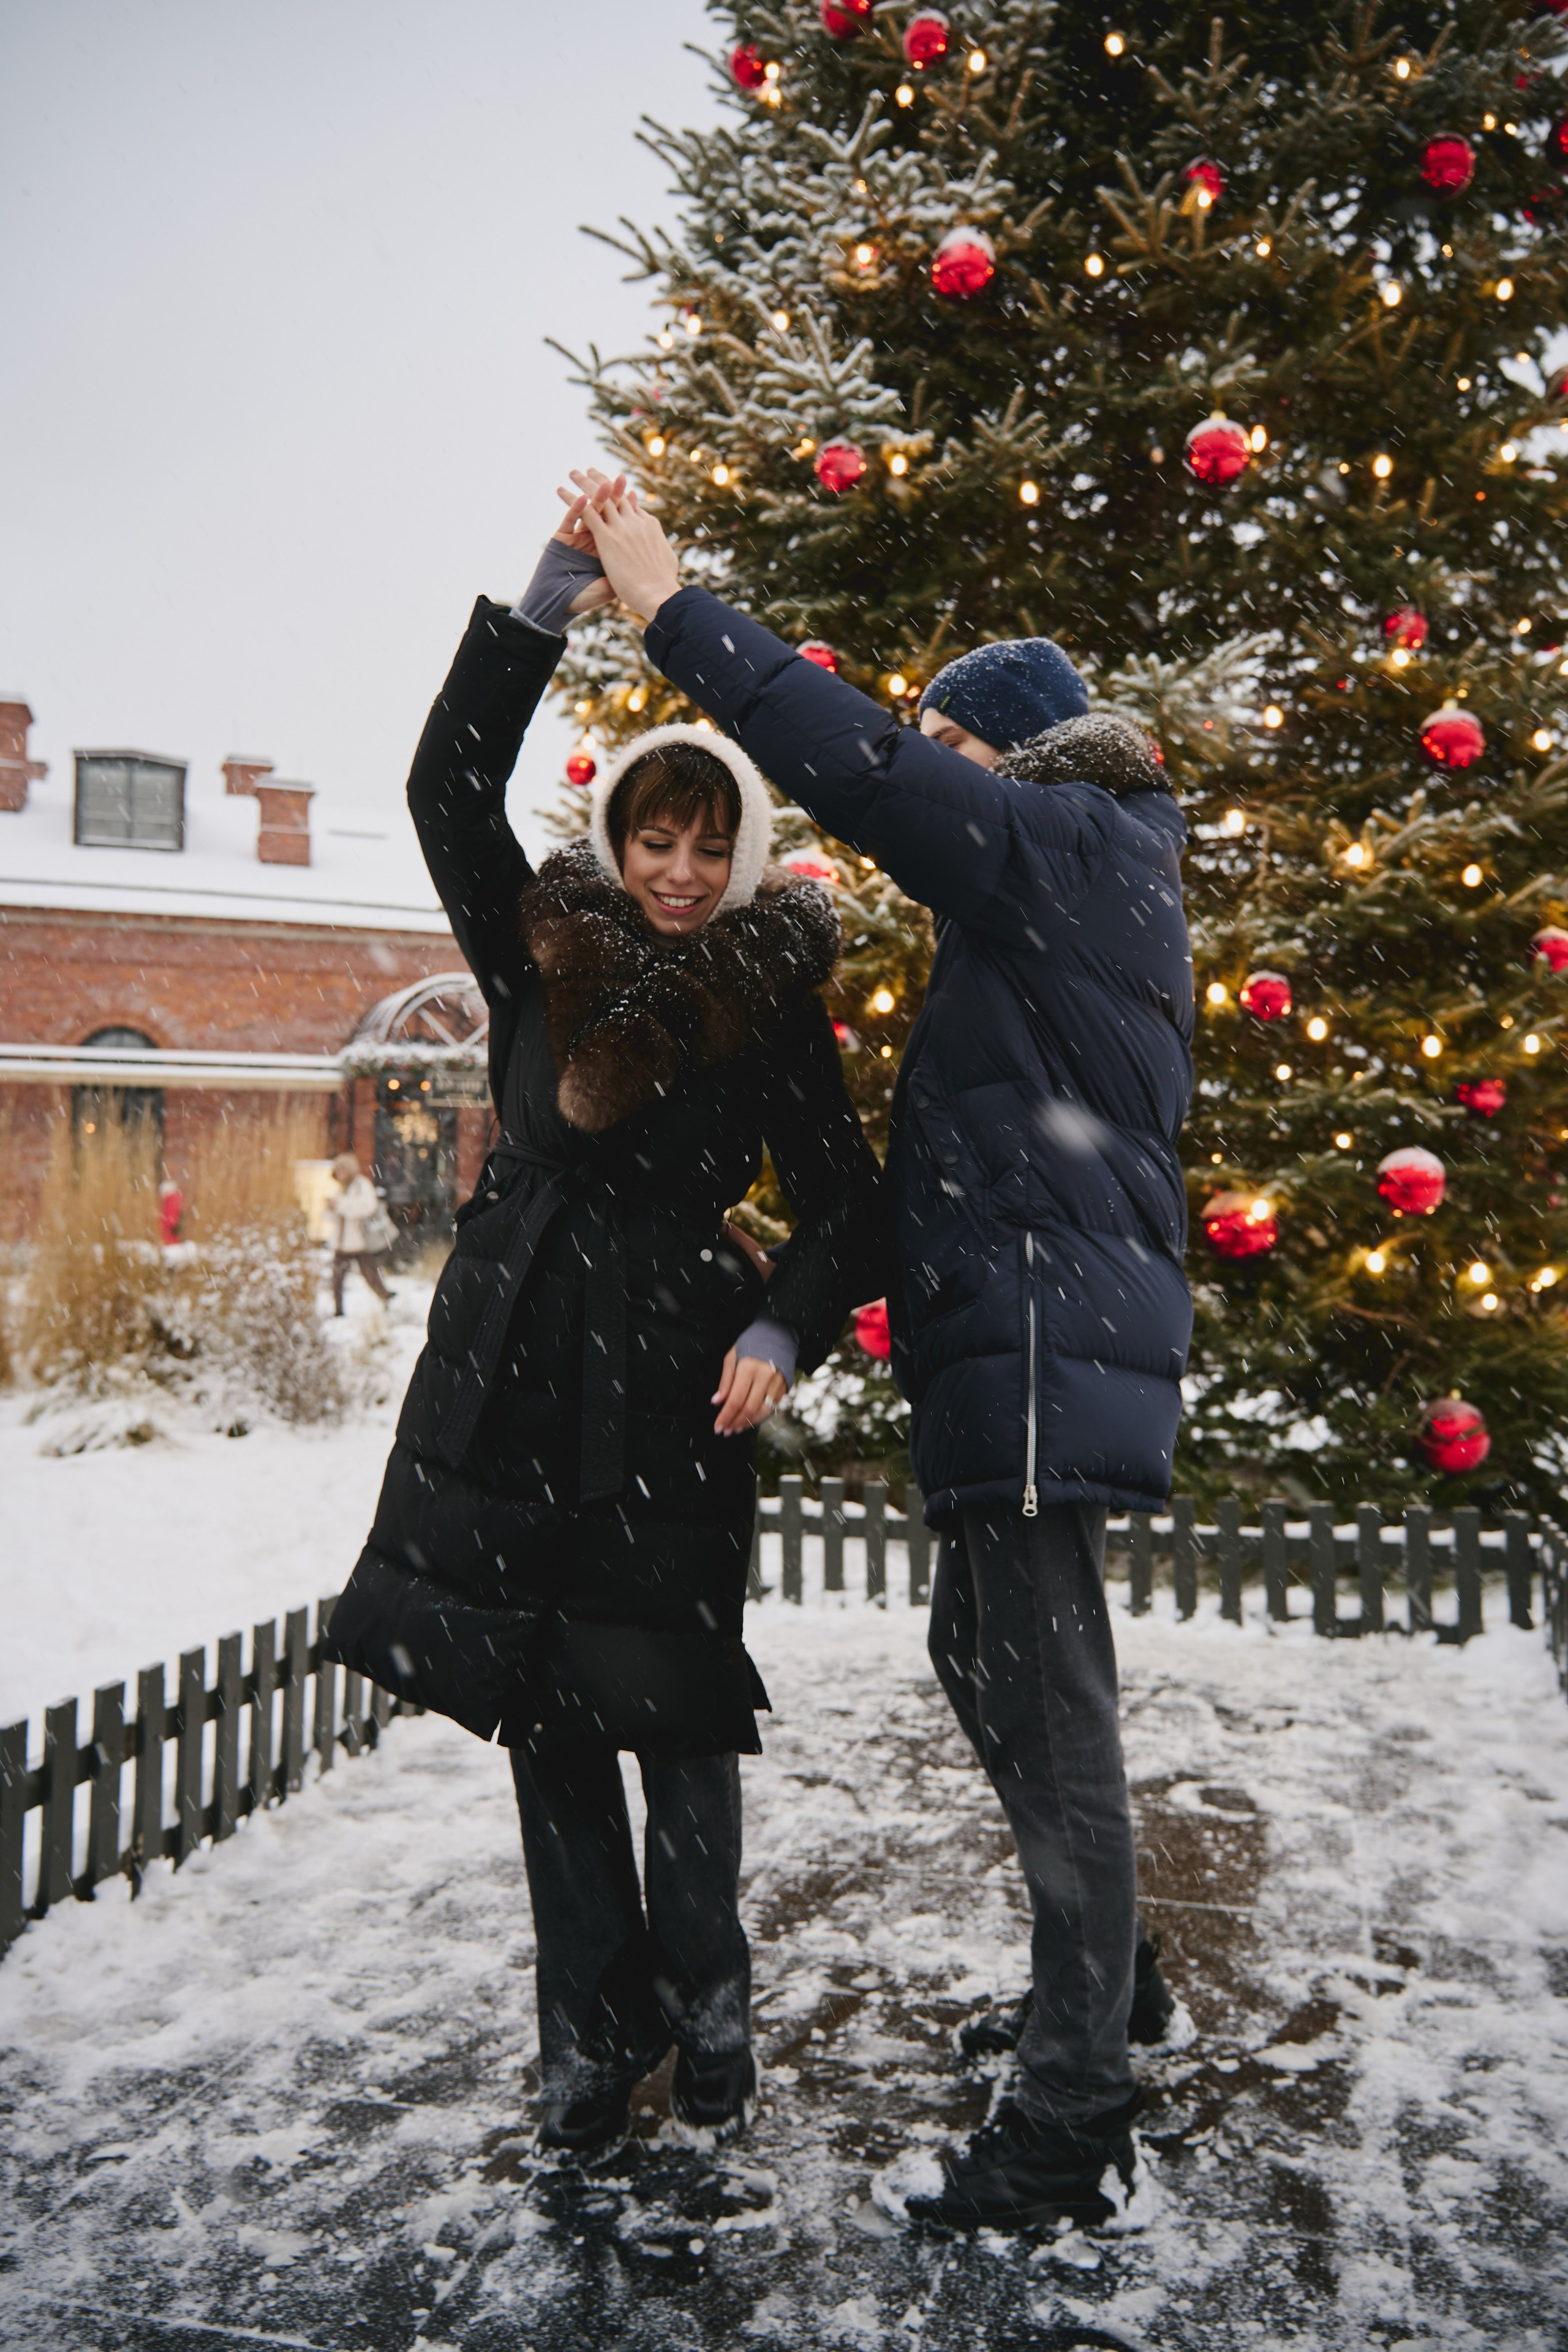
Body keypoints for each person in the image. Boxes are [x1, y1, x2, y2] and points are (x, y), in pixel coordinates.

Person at [575, 472, 1193, 2233]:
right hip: (1024, 1343)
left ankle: (1070, 2112)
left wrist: (671, 608)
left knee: (1052, 1711)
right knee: (979, 1649)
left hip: (1041, 1345)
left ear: (1003, 752)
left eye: (946, 742)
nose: (925, 761)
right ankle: (1114, 1984)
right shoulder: (1083, 879)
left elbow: (852, 759)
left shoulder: (1060, 845)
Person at [326, 489, 886, 2162]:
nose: (680, 871)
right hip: (509, 1371)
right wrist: (544, 606)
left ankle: (707, 2010)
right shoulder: (539, 950)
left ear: (746, 850)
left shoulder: (773, 999)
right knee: (545, 1716)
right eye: (656, 839)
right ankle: (588, 2037)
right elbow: (444, 787)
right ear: (619, 838)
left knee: (673, 1716)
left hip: (669, 1397)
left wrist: (789, 1328)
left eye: (710, 844)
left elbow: (847, 1198)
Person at [325, 1152, 391, 1314]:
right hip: (342, 1243)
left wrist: (340, 1204)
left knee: (370, 1275)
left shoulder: (362, 1185)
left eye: (343, 1171)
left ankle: (385, 1297)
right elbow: (330, 1217)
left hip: (360, 1242)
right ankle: (338, 1310)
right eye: (338, 1171)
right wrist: (330, 1208)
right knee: (337, 1280)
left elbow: (366, 1207)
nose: (340, 1175)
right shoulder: (340, 1188)